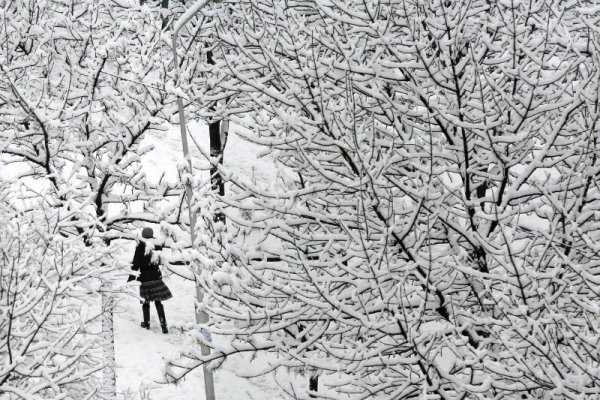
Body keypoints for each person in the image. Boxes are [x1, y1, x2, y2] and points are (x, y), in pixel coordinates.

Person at [128, 227, 172, 333]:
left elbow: (135, 264)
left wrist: (131, 278)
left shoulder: (140, 247)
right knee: (158, 302)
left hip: (144, 279)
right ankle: (164, 325)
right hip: (156, 277)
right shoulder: (156, 245)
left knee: (146, 302)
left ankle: (146, 324)